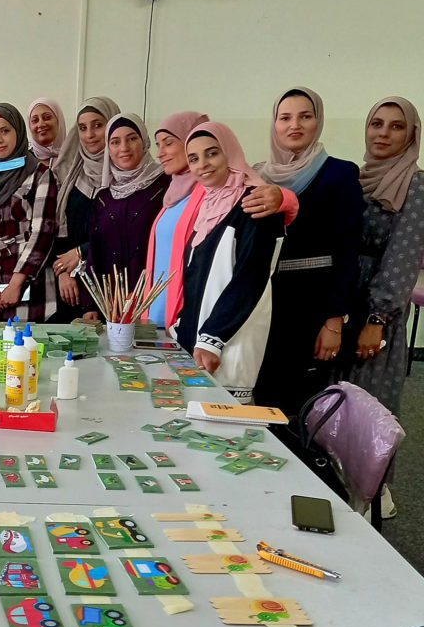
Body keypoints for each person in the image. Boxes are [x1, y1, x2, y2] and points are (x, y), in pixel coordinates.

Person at [253, 87, 364, 419]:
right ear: (274, 124)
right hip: (266, 303)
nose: (294, 125)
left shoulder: (340, 173)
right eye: (285, 118)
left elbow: (348, 248)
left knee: (299, 402)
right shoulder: (259, 175)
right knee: (260, 395)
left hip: (312, 304)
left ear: (318, 121)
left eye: (305, 116)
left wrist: (334, 321)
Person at [146, 112, 297, 328]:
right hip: (171, 318)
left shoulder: (217, 191)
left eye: (168, 143)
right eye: (194, 157)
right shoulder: (172, 193)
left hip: (211, 321)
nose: (160, 153)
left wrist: (285, 198)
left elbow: (258, 197)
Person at [174, 122, 285, 403]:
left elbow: (250, 278)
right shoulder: (206, 206)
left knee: (227, 431)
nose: (203, 165)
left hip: (230, 337)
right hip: (198, 338)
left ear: (230, 153)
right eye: (194, 159)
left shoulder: (255, 202)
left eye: (212, 153)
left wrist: (213, 337)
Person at [343, 97, 424, 415]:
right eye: (376, 124)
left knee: (367, 408)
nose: (383, 133)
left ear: (411, 135)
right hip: (345, 300)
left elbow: (404, 256)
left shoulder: (416, 185)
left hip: (376, 309)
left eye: (396, 126)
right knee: (331, 402)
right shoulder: (358, 178)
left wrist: (378, 319)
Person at [0, 103, 58, 322]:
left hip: (28, 281)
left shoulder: (40, 174)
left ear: (18, 131)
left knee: (28, 350)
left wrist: (16, 284)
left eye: (5, 131)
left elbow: (42, 233)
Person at [81, 113, 169, 320]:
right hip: (110, 307)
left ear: (144, 142)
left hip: (153, 302)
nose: (124, 148)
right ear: (108, 149)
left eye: (132, 138)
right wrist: (89, 304)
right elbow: (94, 252)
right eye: (115, 142)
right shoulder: (104, 198)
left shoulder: (166, 185)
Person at [50, 97, 120, 321]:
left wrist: (81, 252)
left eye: (98, 125)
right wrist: (63, 271)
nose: (89, 134)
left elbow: (120, 233)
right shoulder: (70, 172)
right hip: (70, 284)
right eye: (83, 128)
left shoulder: (126, 176)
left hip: (110, 281)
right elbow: (58, 226)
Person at [26, 98, 66, 168]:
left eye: (47, 117)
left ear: (59, 121)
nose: (41, 124)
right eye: (35, 120)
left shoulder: (77, 158)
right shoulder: (23, 163)